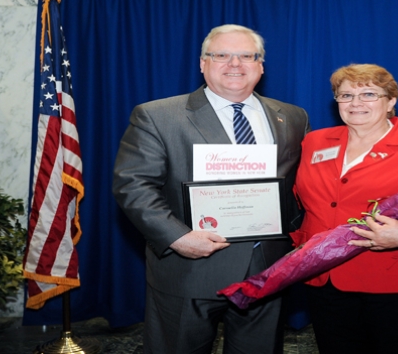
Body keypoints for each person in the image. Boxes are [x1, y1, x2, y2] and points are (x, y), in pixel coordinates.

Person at [112, 24, 310, 354]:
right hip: (190, 267)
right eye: (221, 55)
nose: (235, 64)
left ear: (261, 65)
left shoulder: (291, 116)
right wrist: (177, 237)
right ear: (203, 63)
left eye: (247, 55)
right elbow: (133, 184)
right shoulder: (158, 115)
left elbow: (301, 184)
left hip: (267, 267)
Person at [291, 64, 398, 354]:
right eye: (345, 95)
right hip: (325, 278)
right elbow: (301, 198)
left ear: (391, 101)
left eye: (368, 94)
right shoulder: (314, 142)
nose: (355, 103)